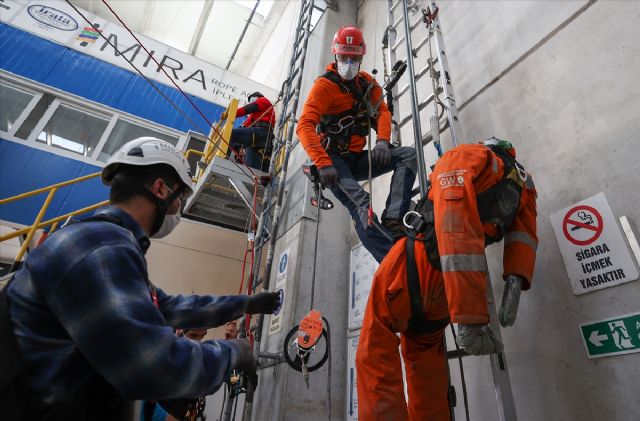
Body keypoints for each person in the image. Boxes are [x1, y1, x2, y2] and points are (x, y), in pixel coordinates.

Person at [4, 137, 282, 420]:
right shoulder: (100, 248)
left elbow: (169, 307)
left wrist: (245, 304)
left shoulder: (100, 241)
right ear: (160, 189)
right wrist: (234, 353)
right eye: (179, 198)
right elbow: (155, 367)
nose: (178, 210)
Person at [355, 139, 538, 420]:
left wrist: (470, 317)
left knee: (375, 350)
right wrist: (512, 291)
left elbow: (454, 222)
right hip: (445, 295)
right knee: (427, 367)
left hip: (414, 265)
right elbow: (524, 239)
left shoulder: (471, 154)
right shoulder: (524, 184)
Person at [296, 26, 417, 263]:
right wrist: (323, 163)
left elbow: (382, 112)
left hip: (356, 158)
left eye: (354, 59)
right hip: (333, 162)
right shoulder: (325, 86)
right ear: (336, 55)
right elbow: (304, 126)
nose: (349, 63)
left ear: (361, 57)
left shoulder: (367, 83)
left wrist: (382, 142)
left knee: (408, 156)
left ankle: (394, 219)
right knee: (360, 204)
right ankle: (393, 261)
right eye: (344, 57)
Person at [223, 91, 276, 171]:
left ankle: (223, 158)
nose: (251, 100)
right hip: (258, 137)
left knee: (230, 134)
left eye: (253, 97)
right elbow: (245, 126)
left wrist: (232, 113)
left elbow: (249, 108)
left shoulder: (263, 100)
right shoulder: (253, 116)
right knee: (250, 167)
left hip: (261, 132)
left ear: (258, 97)